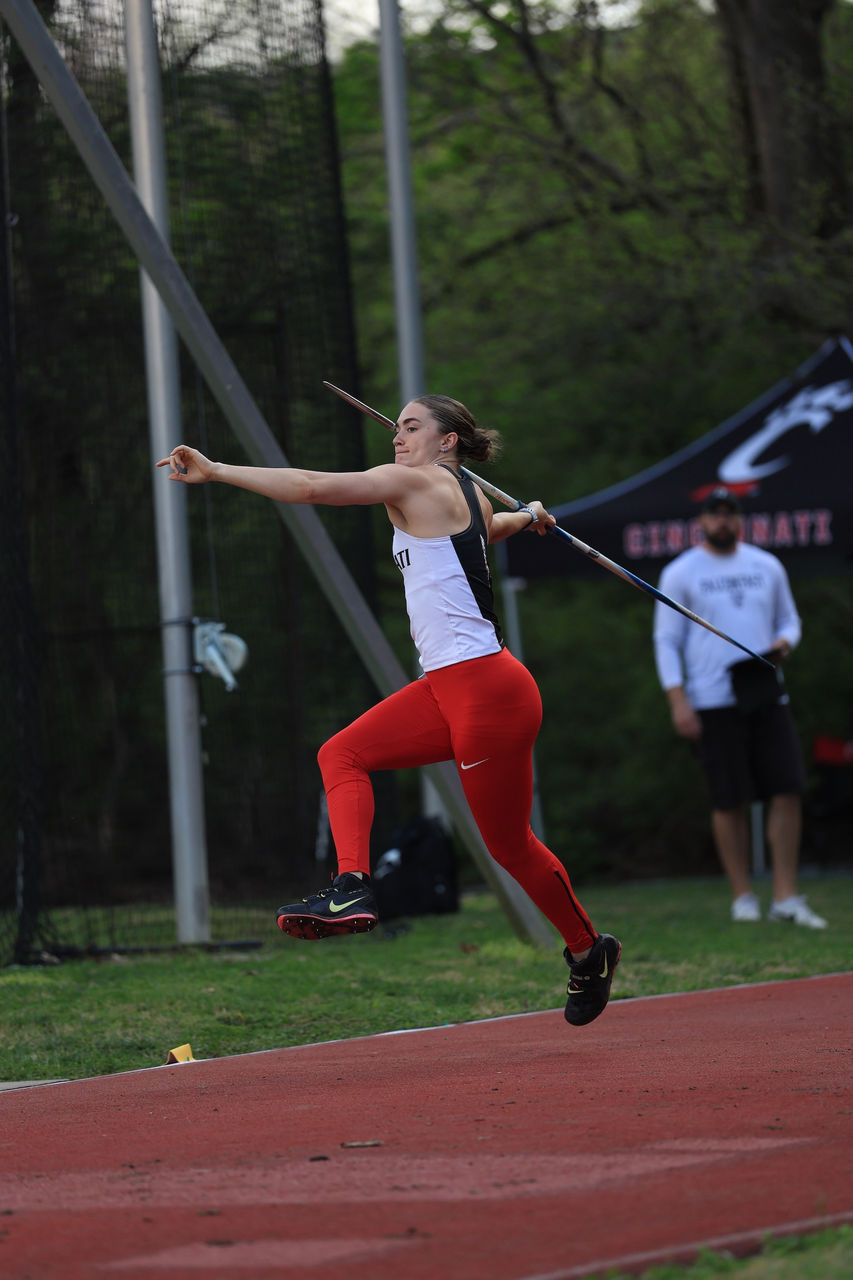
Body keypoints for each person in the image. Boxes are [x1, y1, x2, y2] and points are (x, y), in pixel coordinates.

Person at [158, 394, 621, 1026]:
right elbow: (486, 532)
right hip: (445, 689)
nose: (396, 437)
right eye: (397, 427)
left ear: (447, 440)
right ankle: (351, 885)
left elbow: (310, 486)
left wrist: (217, 471)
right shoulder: (467, 495)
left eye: (410, 427)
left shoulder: (414, 482)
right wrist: (529, 516)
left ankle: (588, 950)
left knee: (508, 846)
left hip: (487, 691)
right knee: (341, 752)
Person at [653, 485, 826, 929]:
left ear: (740, 520)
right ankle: (743, 896)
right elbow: (667, 640)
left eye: (731, 514)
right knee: (728, 798)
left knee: (786, 790)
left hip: (766, 691)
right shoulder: (681, 572)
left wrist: (786, 642)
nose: (723, 522)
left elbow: (789, 618)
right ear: (703, 522)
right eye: (716, 515)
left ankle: (785, 896)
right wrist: (678, 699)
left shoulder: (766, 565)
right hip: (712, 697)